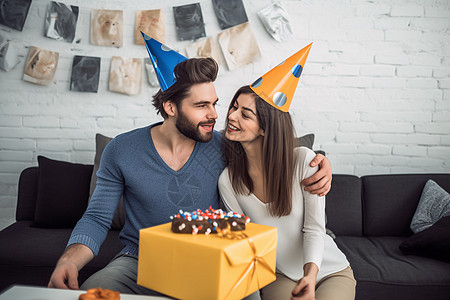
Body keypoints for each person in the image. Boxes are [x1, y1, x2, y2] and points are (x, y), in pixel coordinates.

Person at [48, 45, 332, 295]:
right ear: (170, 107)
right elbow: (97, 217)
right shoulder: (121, 150)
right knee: (91, 292)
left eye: (215, 104)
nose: (216, 115)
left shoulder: (227, 148)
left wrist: (320, 162)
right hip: (139, 260)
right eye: (202, 106)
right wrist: (68, 260)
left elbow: (274, 156)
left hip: (209, 258)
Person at [218, 45, 355, 300]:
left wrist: (310, 277)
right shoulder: (229, 180)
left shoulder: (304, 160)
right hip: (278, 275)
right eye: (234, 107)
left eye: (245, 114)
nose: (231, 116)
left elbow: (315, 229)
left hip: (327, 271)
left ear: (265, 129)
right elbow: (244, 241)